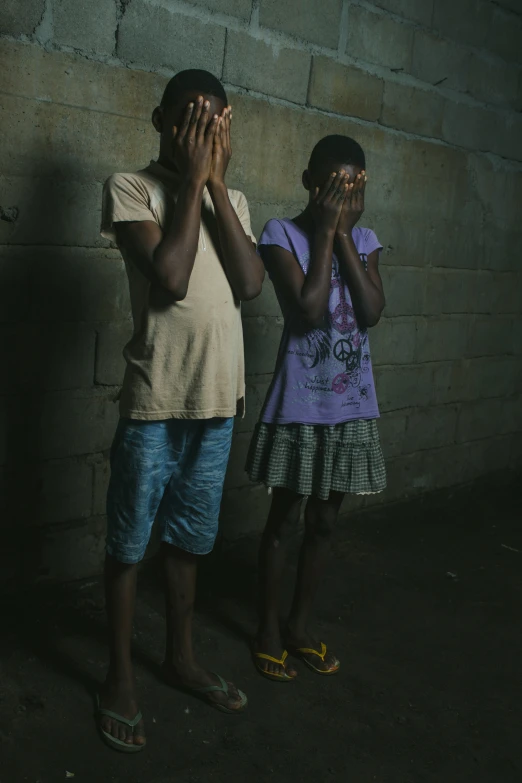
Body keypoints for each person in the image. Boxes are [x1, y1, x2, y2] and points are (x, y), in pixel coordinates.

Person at [98, 69, 264, 751]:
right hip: (156, 401)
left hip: (216, 402)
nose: (201, 133)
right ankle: (118, 676)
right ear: (160, 119)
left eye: (215, 122)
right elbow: (168, 277)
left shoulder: (236, 199)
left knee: (190, 540)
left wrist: (217, 184)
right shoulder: (131, 187)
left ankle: (181, 655)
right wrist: (194, 180)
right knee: (130, 541)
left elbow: (251, 282)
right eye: (189, 119)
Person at [246, 135, 386, 682]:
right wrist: (328, 232)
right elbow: (307, 309)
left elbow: (370, 311)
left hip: (352, 405)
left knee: (324, 521)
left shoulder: (368, 238)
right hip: (301, 404)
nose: (343, 194)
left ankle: (300, 627)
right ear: (309, 181)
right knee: (282, 519)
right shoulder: (281, 233)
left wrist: (346, 236)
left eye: (354, 186)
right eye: (333, 185)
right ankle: (267, 629)